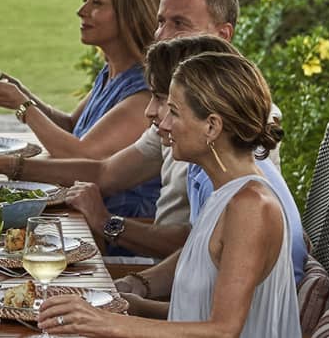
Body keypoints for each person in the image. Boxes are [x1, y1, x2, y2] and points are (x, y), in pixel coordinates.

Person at [0, 0, 243, 258]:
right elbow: (101, 168)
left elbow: (85, 156)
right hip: (132, 253)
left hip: (127, 249)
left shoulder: (225, 122)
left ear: (223, 35)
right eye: (161, 22)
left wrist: (22, 107)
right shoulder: (148, 93)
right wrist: (6, 160)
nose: (161, 35)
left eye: (179, 23)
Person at [37, 49, 300, 336]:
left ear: (211, 126)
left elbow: (223, 330)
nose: (162, 123)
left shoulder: (251, 206)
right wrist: (133, 305)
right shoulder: (225, 194)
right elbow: (196, 313)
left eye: (174, 111)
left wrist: (107, 323)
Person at [0, 0, 162, 219]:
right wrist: (19, 92)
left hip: (116, 228)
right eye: (85, 0)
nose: (81, 11)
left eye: (96, 3)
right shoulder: (111, 73)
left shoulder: (144, 94)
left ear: (129, 13)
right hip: (77, 212)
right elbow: (71, 126)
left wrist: (23, 106)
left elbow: (78, 155)